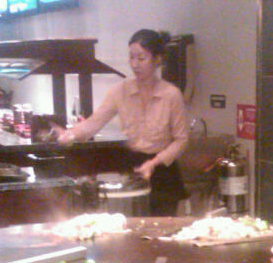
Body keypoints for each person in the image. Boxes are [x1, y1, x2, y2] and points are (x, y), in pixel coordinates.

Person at [58, 29, 189, 216]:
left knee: (160, 228)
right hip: (133, 169)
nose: (134, 64)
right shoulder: (120, 90)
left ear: (157, 59)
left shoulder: (172, 95)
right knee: (129, 227)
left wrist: (154, 163)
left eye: (141, 58)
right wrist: (70, 135)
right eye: (131, 57)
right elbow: (95, 122)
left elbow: (181, 140)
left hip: (163, 172)